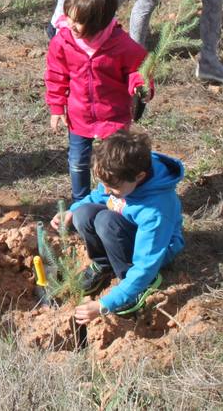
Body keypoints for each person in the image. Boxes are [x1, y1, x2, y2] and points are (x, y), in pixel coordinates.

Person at [50, 129, 184, 321]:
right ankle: (104, 265)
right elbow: (99, 195)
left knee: (106, 222)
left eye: (113, 188)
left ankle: (135, 283)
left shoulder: (156, 210)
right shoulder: (120, 173)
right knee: (83, 214)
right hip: (125, 231)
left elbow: (145, 265)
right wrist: (72, 210)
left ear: (139, 177)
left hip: (151, 253)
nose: (106, 191)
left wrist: (105, 304)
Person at [45, 0, 150, 202]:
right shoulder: (63, 41)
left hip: (112, 117)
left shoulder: (121, 45)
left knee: (115, 162)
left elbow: (138, 71)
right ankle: (80, 202)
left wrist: (141, 86)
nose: (70, 25)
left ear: (98, 23)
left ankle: (114, 199)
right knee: (78, 161)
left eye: (78, 21)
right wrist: (56, 106)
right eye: (68, 17)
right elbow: (56, 75)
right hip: (79, 115)